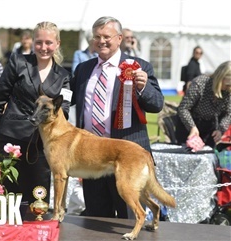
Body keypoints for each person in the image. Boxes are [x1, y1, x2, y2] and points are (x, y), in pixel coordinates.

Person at [70, 16, 163, 218]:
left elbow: (157, 105)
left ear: (119, 38)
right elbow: (66, 101)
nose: (101, 41)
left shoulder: (139, 67)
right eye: (97, 37)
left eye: (106, 36)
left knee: (129, 219)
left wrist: (143, 87)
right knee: (95, 221)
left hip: (126, 156)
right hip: (92, 158)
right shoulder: (83, 69)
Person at [0, 21, 71, 205]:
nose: (43, 47)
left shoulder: (64, 75)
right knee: (7, 198)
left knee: (38, 199)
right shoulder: (18, 62)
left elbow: (64, 110)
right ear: (33, 42)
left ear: (57, 43)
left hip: (42, 145)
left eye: (48, 42)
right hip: (10, 138)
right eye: (39, 42)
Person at [175, 61, 231, 148]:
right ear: (220, 78)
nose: (229, 88)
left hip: (209, 127)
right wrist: (192, 127)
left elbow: (228, 113)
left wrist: (220, 130)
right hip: (189, 125)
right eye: (228, 85)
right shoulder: (200, 83)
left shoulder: (228, 91)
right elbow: (183, 108)